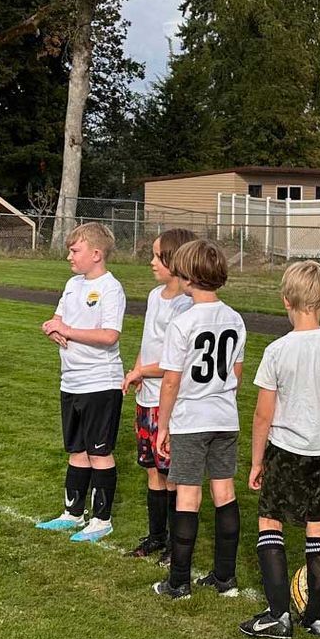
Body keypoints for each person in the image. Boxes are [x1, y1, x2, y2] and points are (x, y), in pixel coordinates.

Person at [243, 260, 320, 639]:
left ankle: (278, 616)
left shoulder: (278, 350)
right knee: (317, 526)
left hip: (287, 449)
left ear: (285, 299)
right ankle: (315, 618)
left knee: (270, 520)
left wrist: (258, 460)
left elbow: (263, 415)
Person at [152, 238, 247, 599]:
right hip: (225, 417)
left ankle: (178, 582)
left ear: (188, 275)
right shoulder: (235, 319)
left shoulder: (183, 321)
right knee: (224, 491)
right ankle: (225, 577)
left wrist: (163, 425)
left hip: (191, 419)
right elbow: (235, 374)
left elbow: (172, 379)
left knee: (187, 497)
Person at [36, 222, 128, 541]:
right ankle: (72, 513)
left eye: (75, 251)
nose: (69, 257)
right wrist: (53, 327)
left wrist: (69, 331)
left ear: (96, 253)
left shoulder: (110, 289)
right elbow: (57, 320)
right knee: (77, 450)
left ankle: (102, 520)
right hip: (71, 381)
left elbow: (109, 335)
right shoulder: (73, 284)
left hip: (100, 383)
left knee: (99, 452)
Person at [123, 226, 195, 561]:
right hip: (146, 396)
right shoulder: (155, 296)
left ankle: (175, 545)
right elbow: (148, 342)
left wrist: (142, 371)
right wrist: (136, 371)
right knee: (152, 469)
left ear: (176, 260)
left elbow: (174, 364)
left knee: (172, 475)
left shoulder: (186, 305)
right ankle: (157, 536)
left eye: (157, 256)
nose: (151, 262)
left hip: (169, 403)